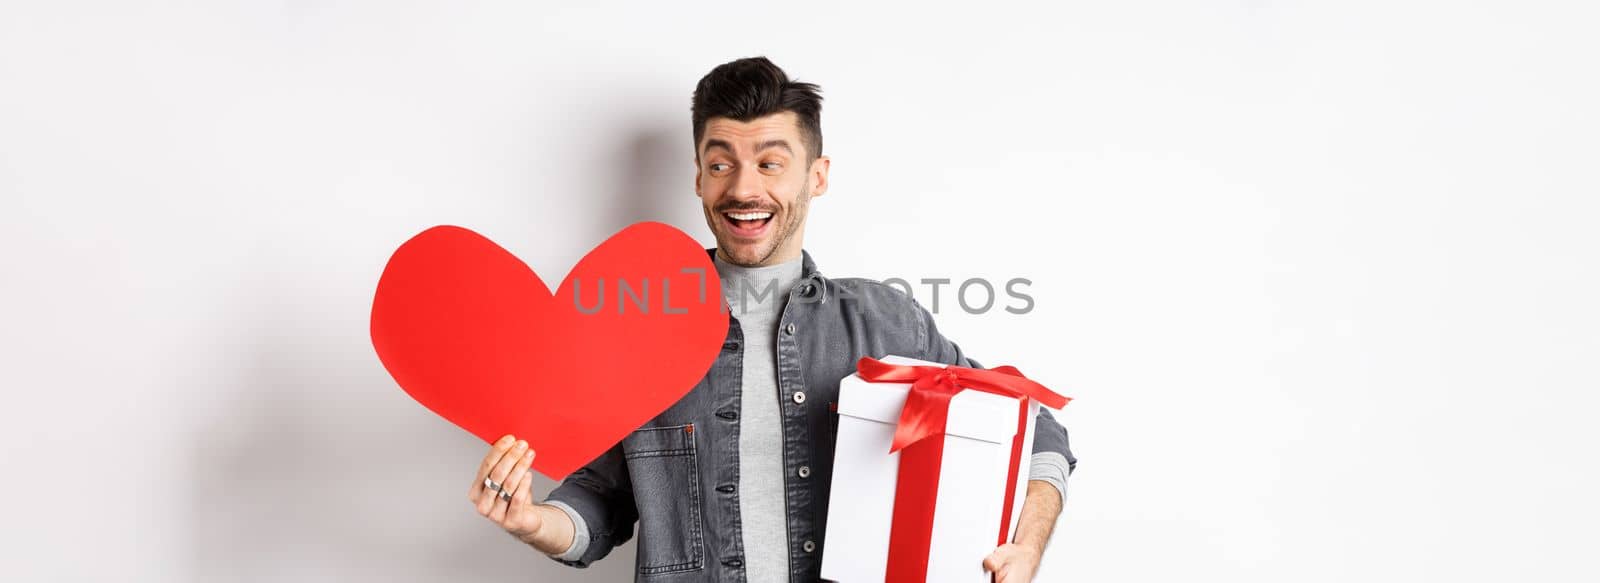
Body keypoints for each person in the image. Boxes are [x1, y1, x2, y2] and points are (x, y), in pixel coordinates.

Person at [463, 56, 1076, 583]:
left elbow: (1036, 432)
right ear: (700, 179)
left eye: (771, 163)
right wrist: (532, 521)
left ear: (817, 176)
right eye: (722, 163)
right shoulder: (636, 325)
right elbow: (600, 500)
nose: (743, 188)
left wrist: (1026, 545)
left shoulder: (886, 323)